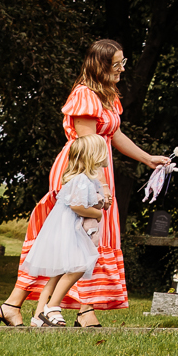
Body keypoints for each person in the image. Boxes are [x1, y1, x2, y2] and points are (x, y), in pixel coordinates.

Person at [0, 39, 171, 329]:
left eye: (122, 63)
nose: (122, 69)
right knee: (70, 237)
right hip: (82, 171)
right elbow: (89, 143)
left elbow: (113, 134)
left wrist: (147, 158)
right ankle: (25, 306)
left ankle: (67, 308)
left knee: (88, 237)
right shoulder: (85, 95)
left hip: (99, 170)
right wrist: (101, 188)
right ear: (100, 65)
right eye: (117, 64)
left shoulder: (107, 96)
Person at [20, 135, 110, 327]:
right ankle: (52, 307)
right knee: (79, 266)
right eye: (104, 151)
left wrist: (101, 202)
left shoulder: (88, 180)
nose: (107, 155)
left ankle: (38, 317)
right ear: (93, 155)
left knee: (58, 273)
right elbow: (77, 206)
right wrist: (97, 214)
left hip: (70, 230)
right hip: (71, 231)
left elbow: (88, 200)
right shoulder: (81, 181)